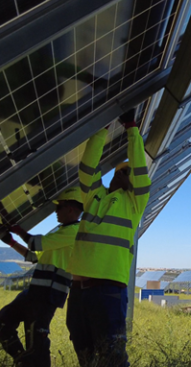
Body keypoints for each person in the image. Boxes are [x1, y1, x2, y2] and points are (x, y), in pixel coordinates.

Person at [66, 110, 151, 367]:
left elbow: (139, 166)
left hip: (108, 291)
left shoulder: (135, 203)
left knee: (112, 359)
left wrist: (131, 128)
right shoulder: (94, 197)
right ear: (114, 175)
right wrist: (101, 129)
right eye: (122, 172)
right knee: (85, 357)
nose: (126, 175)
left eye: (129, 173)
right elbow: (87, 168)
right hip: (78, 292)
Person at [0, 187, 83, 367]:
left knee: (37, 343)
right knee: (3, 324)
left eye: (60, 207)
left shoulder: (74, 231)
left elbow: (35, 242)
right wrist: (11, 242)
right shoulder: (59, 232)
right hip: (35, 292)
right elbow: (34, 256)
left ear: (71, 209)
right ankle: (24, 362)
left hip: (48, 295)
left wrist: (18, 230)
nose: (56, 211)